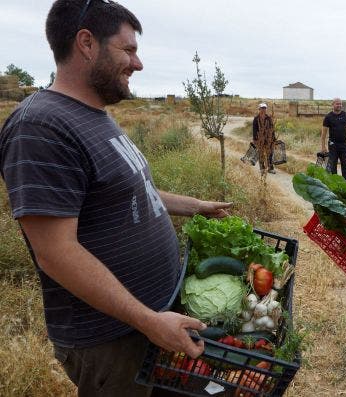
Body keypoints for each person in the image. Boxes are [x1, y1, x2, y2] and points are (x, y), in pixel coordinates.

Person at [0, 1, 232, 396]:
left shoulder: (95, 115)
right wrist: (147, 320)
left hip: (147, 324)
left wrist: (193, 206)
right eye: (128, 50)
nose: (138, 64)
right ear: (87, 43)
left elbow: (126, 190)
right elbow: (57, 254)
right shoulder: (39, 126)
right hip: (111, 340)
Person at [321, 97, 346, 180]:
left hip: (343, 144)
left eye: (340, 104)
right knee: (333, 165)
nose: (339, 105)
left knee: (345, 164)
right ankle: (334, 182)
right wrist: (323, 146)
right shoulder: (328, 117)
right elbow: (323, 134)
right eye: (337, 103)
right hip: (332, 144)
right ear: (333, 104)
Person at [252, 102, 276, 174]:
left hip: (268, 139)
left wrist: (274, 138)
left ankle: (270, 168)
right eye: (262, 108)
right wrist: (255, 139)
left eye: (264, 108)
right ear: (259, 109)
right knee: (261, 154)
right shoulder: (256, 119)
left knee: (270, 153)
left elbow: (272, 129)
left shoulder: (268, 118)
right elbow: (254, 130)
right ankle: (262, 168)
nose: (263, 110)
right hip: (260, 139)